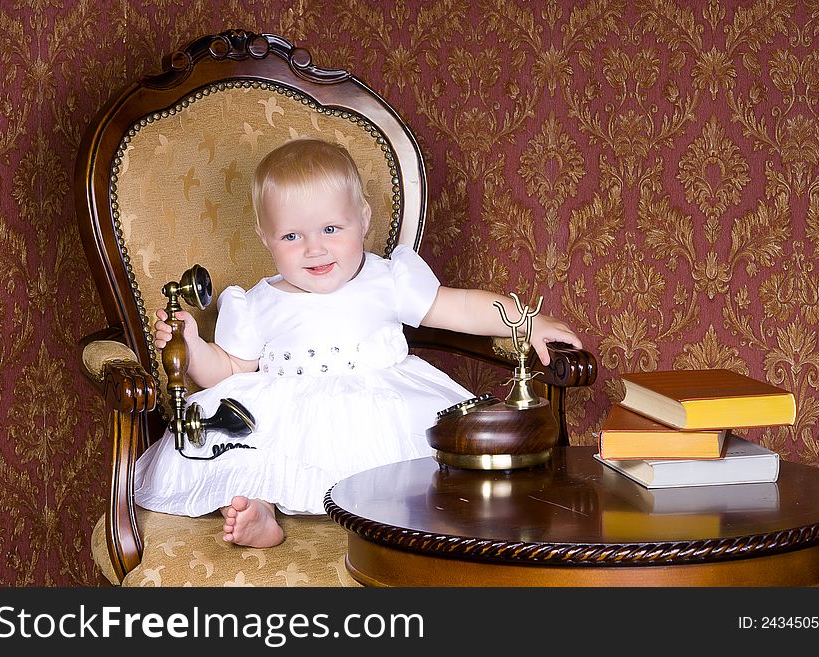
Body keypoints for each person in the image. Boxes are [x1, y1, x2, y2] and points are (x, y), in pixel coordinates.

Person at [133, 138, 582, 549]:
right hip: (289, 412)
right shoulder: (256, 302)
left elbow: (459, 308)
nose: (314, 249)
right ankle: (262, 515)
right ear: (265, 239)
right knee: (253, 455)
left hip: (383, 401)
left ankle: (409, 518)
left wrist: (526, 321)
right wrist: (190, 346)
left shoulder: (387, 279)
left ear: (363, 220)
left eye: (331, 229)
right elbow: (229, 371)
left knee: (427, 466)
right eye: (292, 236)